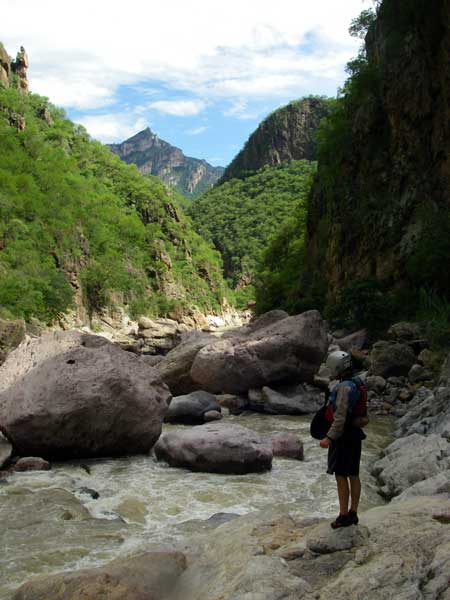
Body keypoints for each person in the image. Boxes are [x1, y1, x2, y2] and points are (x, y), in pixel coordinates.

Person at [319, 350, 369, 529]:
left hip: (343, 437)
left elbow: (339, 417)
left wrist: (328, 438)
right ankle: (353, 513)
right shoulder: (358, 382)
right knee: (353, 474)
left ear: (338, 368)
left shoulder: (343, 387)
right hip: (355, 435)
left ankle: (343, 515)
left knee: (341, 476)